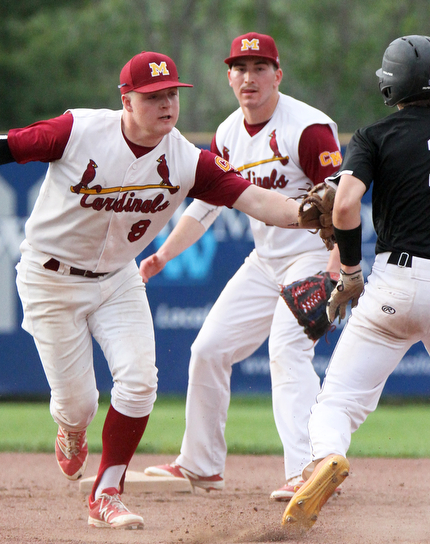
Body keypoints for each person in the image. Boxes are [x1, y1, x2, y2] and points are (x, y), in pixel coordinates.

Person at [0, 51, 311, 530]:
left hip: (118, 279)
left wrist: (309, 215)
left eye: (172, 95)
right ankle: (70, 427)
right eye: (153, 97)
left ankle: (106, 493)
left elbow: (253, 199)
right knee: (78, 404)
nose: (166, 105)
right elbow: (11, 144)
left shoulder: (187, 159)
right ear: (126, 100)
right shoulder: (80, 130)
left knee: (141, 381)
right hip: (49, 278)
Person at [282, 35, 430, 533]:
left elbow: (343, 206)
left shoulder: (375, 136)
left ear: (391, 85)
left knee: (339, 399)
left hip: (396, 282)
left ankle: (327, 459)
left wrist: (348, 271)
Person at [140, 33, 343, 500]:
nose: (248, 77)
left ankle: (307, 468)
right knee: (208, 349)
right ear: (229, 76)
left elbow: (342, 202)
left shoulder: (308, 128)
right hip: (266, 260)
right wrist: (164, 254)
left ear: (278, 74)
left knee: (287, 350)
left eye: (259, 67)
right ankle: (201, 465)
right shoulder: (228, 132)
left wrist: (337, 267)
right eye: (239, 68)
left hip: (311, 253)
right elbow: (206, 206)